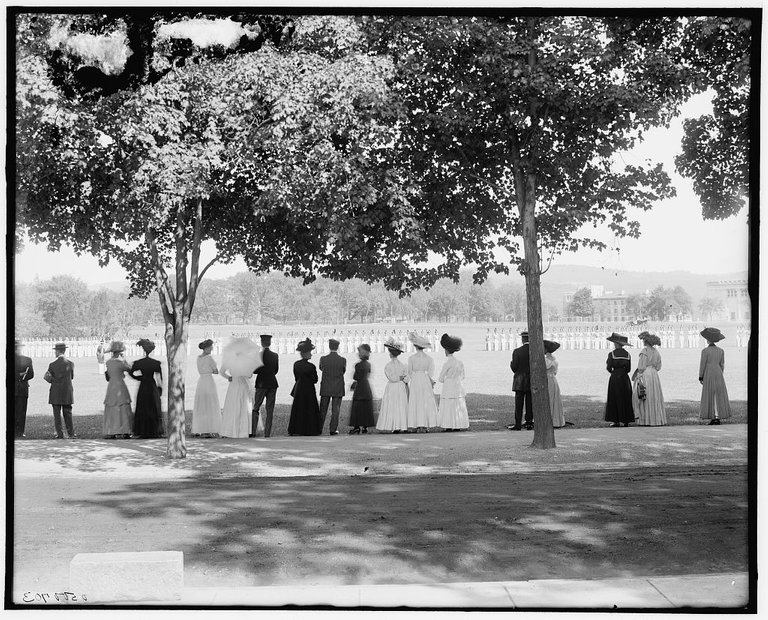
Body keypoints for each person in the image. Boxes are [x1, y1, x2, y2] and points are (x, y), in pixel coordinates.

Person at [128, 339, 164, 438]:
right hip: (152, 386)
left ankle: (142, 430)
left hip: (143, 385)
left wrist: (139, 378)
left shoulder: (139, 362)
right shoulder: (155, 363)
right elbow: (160, 378)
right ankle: (154, 430)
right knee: (153, 407)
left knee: (143, 407)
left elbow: (130, 373)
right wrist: (160, 388)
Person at [288, 338, 322, 436]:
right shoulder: (311, 366)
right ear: (306, 353)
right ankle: (310, 429)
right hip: (309, 389)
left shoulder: (296, 364)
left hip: (299, 388)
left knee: (298, 409)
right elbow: (315, 380)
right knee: (310, 409)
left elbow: (296, 377)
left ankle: (296, 429)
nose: (311, 354)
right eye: (310, 352)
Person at [406, 332, 438, 432]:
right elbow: (431, 373)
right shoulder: (429, 358)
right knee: (425, 401)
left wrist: (407, 380)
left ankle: (416, 424)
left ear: (415, 346)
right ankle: (425, 424)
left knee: (416, 401)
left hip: (415, 379)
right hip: (425, 379)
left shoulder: (411, 358)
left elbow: (409, 372)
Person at [436, 334, 469, 432]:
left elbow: (441, 379)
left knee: (448, 405)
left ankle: (448, 425)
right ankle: (457, 424)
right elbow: (463, 376)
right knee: (457, 404)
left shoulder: (447, 363)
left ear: (446, 350)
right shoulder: (460, 362)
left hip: (448, 386)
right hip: (458, 386)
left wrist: (447, 378)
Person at [699, 327, 731, 425]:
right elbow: (722, 364)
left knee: (710, 393)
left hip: (709, 372)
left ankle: (712, 416)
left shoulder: (705, 351)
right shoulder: (721, 350)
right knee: (718, 394)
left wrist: (701, 376)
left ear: (708, 340)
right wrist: (720, 373)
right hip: (718, 372)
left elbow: (702, 364)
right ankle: (718, 416)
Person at [632, 332, 666, 426]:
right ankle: (656, 419)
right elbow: (659, 366)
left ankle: (645, 420)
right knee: (654, 396)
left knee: (645, 397)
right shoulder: (656, 352)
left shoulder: (644, 351)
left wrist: (638, 375)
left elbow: (641, 366)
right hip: (654, 374)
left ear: (645, 341)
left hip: (646, 373)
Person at [220, 351, 256, 439]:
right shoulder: (246, 362)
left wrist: (228, 377)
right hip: (243, 384)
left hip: (234, 384)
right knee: (244, 406)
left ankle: (229, 430)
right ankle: (244, 430)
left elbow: (221, 371)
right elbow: (250, 375)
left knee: (232, 406)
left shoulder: (230, 360)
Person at [376, 338, 409, 433]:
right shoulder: (403, 365)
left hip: (392, 387)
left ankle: (394, 426)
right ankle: (402, 425)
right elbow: (406, 378)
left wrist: (398, 378)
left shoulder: (388, 366)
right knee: (401, 405)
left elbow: (391, 378)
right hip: (400, 386)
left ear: (390, 353)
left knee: (392, 405)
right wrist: (401, 378)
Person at [45, 342, 77, 439]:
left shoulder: (52, 364)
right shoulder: (70, 364)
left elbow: (48, 377)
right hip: (67, 391)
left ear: (58, 351)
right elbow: (71, 377)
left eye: (55, 351)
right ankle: (71, 433)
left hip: (55, 391)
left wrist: (53, 380)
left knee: (57, 414)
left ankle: (60, 433)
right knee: (68, 413)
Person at [103, 341, 133, 439]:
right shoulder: (121, 362)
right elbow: (130, 369)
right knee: (123, 406)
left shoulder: (108, 362)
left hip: (111, 385)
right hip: (120, 384)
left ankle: (111, 430)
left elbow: (107, 376)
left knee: (112, 406)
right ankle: (125, 430)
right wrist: (124, 359)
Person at [192, 339, 221, 438]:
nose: (212, 349)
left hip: (201, 381)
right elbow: (216, 371)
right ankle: (210, 429)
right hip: (209, 381)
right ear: (207, 348)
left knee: (202, 405)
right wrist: (211, 371)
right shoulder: (209, 358)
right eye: (211, 348)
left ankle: (201, 429)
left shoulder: (198, 358)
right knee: (211, 404)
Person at [251, 334, 279, 438]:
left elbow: (255, 371)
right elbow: (276, 370)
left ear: (261, 343)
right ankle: (267, 433)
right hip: (272, 383)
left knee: (256, 407)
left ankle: (253, 432)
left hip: (261, 383)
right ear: (270, 343)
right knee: (270, 409)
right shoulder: (275, 355)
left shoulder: (258, 355)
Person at [604, 333, 634, 427]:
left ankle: (616, 420)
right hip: (625, 377)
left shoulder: (612, 354)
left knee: (614, 397)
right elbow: (629, 369)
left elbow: (609, 367)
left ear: (616, 344)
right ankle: (626, 420)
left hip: (615, 377)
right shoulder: (627, 355)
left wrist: (614, 372)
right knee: (626, 397)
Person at [319, 338, 346, 436]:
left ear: (329, 347)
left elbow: (321, 368)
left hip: (326, 386)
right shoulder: (342, 360)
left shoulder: (323, 359)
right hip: (338, 386)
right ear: (337, 347)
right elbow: (343, 371)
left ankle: (319, 428)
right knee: (336, 410)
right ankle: (333, 429)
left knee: (322, 409)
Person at [509, 330, 533, 431]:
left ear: (523, 339)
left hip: (519, 381)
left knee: (519, 404)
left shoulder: (517, 351)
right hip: (530, 380)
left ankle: (518, 424)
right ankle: (529, 423)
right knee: (529, 403)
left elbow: (514, 368)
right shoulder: (534, 351)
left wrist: (511, 364)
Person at [349, 344, 375, 434]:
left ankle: (356, 426)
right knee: (365, 406)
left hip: (360, 386)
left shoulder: (358, 365)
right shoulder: (368, 364)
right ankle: (365, 426)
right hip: (366, 385)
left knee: (357, 406)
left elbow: (356, 376)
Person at [14, 340, 34, 438]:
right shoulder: (27, 359)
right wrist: (21, 376)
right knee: (21, 411)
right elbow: (31, 375)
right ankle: (20, 432)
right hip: (23, 387)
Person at [544, 340, 565, 428]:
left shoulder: (546, 360)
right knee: (554, 399)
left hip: (548, 380)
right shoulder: (554, 359)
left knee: (549, 399)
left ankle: (551, 420)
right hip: (553, 379)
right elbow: (555, 371)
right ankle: (556, 420)